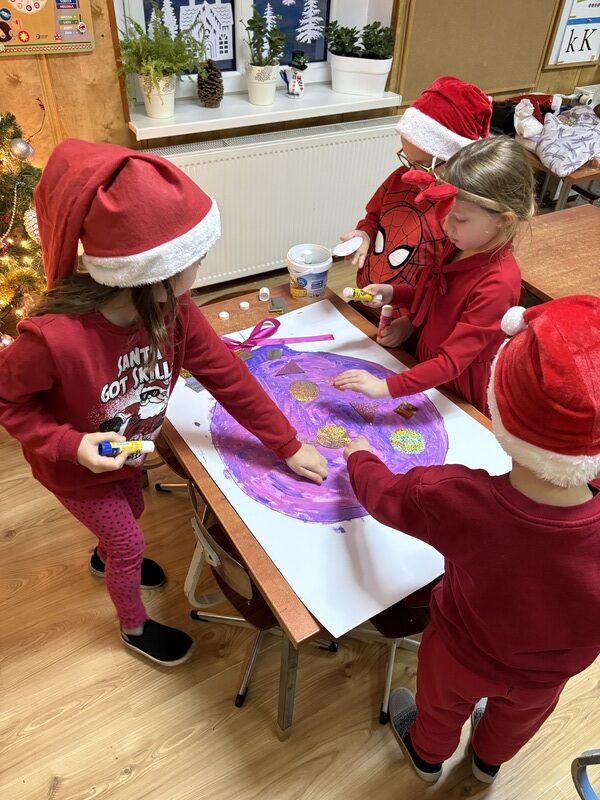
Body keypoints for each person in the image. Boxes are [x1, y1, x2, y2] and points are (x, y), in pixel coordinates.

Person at [0, 139, 328, 667]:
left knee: (131, 511)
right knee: (130, 543)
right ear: (153, 272)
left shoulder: (174, 310)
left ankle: (106, 556)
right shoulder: (53, 338)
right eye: (194, 262)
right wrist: (69, 444)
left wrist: (287, 444)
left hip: (130, 454)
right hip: (74, 470)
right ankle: (133, 627)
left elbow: (228, 377)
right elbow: (10, 402)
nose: (198, 270)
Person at [343, 294, 600, 784]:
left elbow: (385, 496)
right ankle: (487, 766)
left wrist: (359, 457)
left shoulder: (454, 497)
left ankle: (427, 760)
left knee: (438, 710)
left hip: (460, 651)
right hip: (546, 677)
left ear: (498, 408)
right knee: (515, 723)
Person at [334, 135, 535, 416]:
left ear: (504, 220)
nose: (446, 225)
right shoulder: (460, 244)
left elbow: (451, 363)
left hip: (455, 386)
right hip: (425, 364)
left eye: (460, 218)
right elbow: (435, 297)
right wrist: (395, 293)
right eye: (445, 212)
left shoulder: (497, 284)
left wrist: (384, 388)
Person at [339, 76, 492, 298]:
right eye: (407, 160)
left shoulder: (463, 211)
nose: (411, 173)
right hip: (370, 295)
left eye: (421, 165)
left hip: (412, 310)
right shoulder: (399, 178)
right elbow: (374, 217)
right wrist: (365, 234)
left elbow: (451, 283)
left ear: (458, 160)